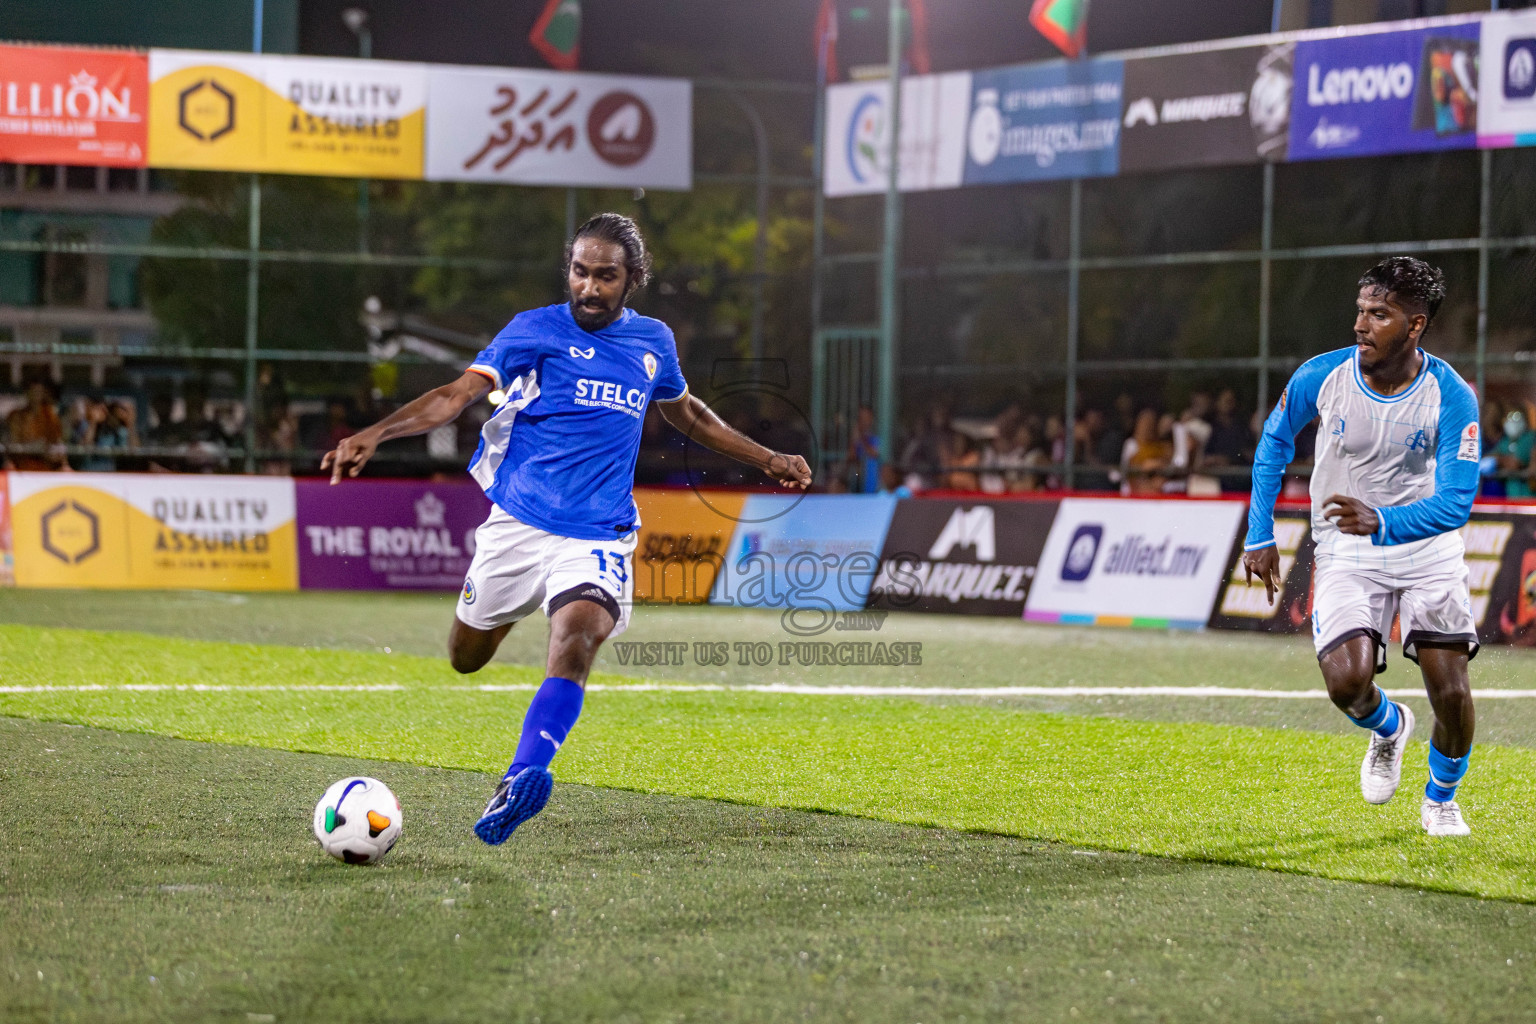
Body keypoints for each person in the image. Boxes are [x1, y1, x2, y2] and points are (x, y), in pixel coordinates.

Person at [323, 213, 812, 845]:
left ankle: (521, 778)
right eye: (580, 272)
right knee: (465, 658)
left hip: (598, 533)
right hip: (518, 526)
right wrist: (376, 432)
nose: (589, 287)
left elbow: (687, 411)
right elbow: (454, 396)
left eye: (605, 276)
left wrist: (765, 458)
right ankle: (509, 651)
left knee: (577, 640)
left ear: (632, 279)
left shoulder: (653, 341)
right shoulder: (535, 329)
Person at [1243, 257, 1480, 837]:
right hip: (1347, 547)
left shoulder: (1452, 397)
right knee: (1346, 684)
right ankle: (1390, 726)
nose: (1361, 324)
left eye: (1380, 314)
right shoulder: (1321, 376)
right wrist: (1260, 532)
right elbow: (1274, 442)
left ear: (1415, 324)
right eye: (1360, 311)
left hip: (1426, 550)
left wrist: (1383, 521)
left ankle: (1441, 799)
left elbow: (1455, 503)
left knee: (1449, 692)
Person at [5, 379, 66, 471]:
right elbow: (13, 446)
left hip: (46, 466)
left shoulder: (50, 416)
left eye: (39, 391)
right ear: (27, 393)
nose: (36, 395)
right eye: (33, 391)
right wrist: (33, 448)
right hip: (23, 466)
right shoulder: (16, 416)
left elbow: (57, 442)